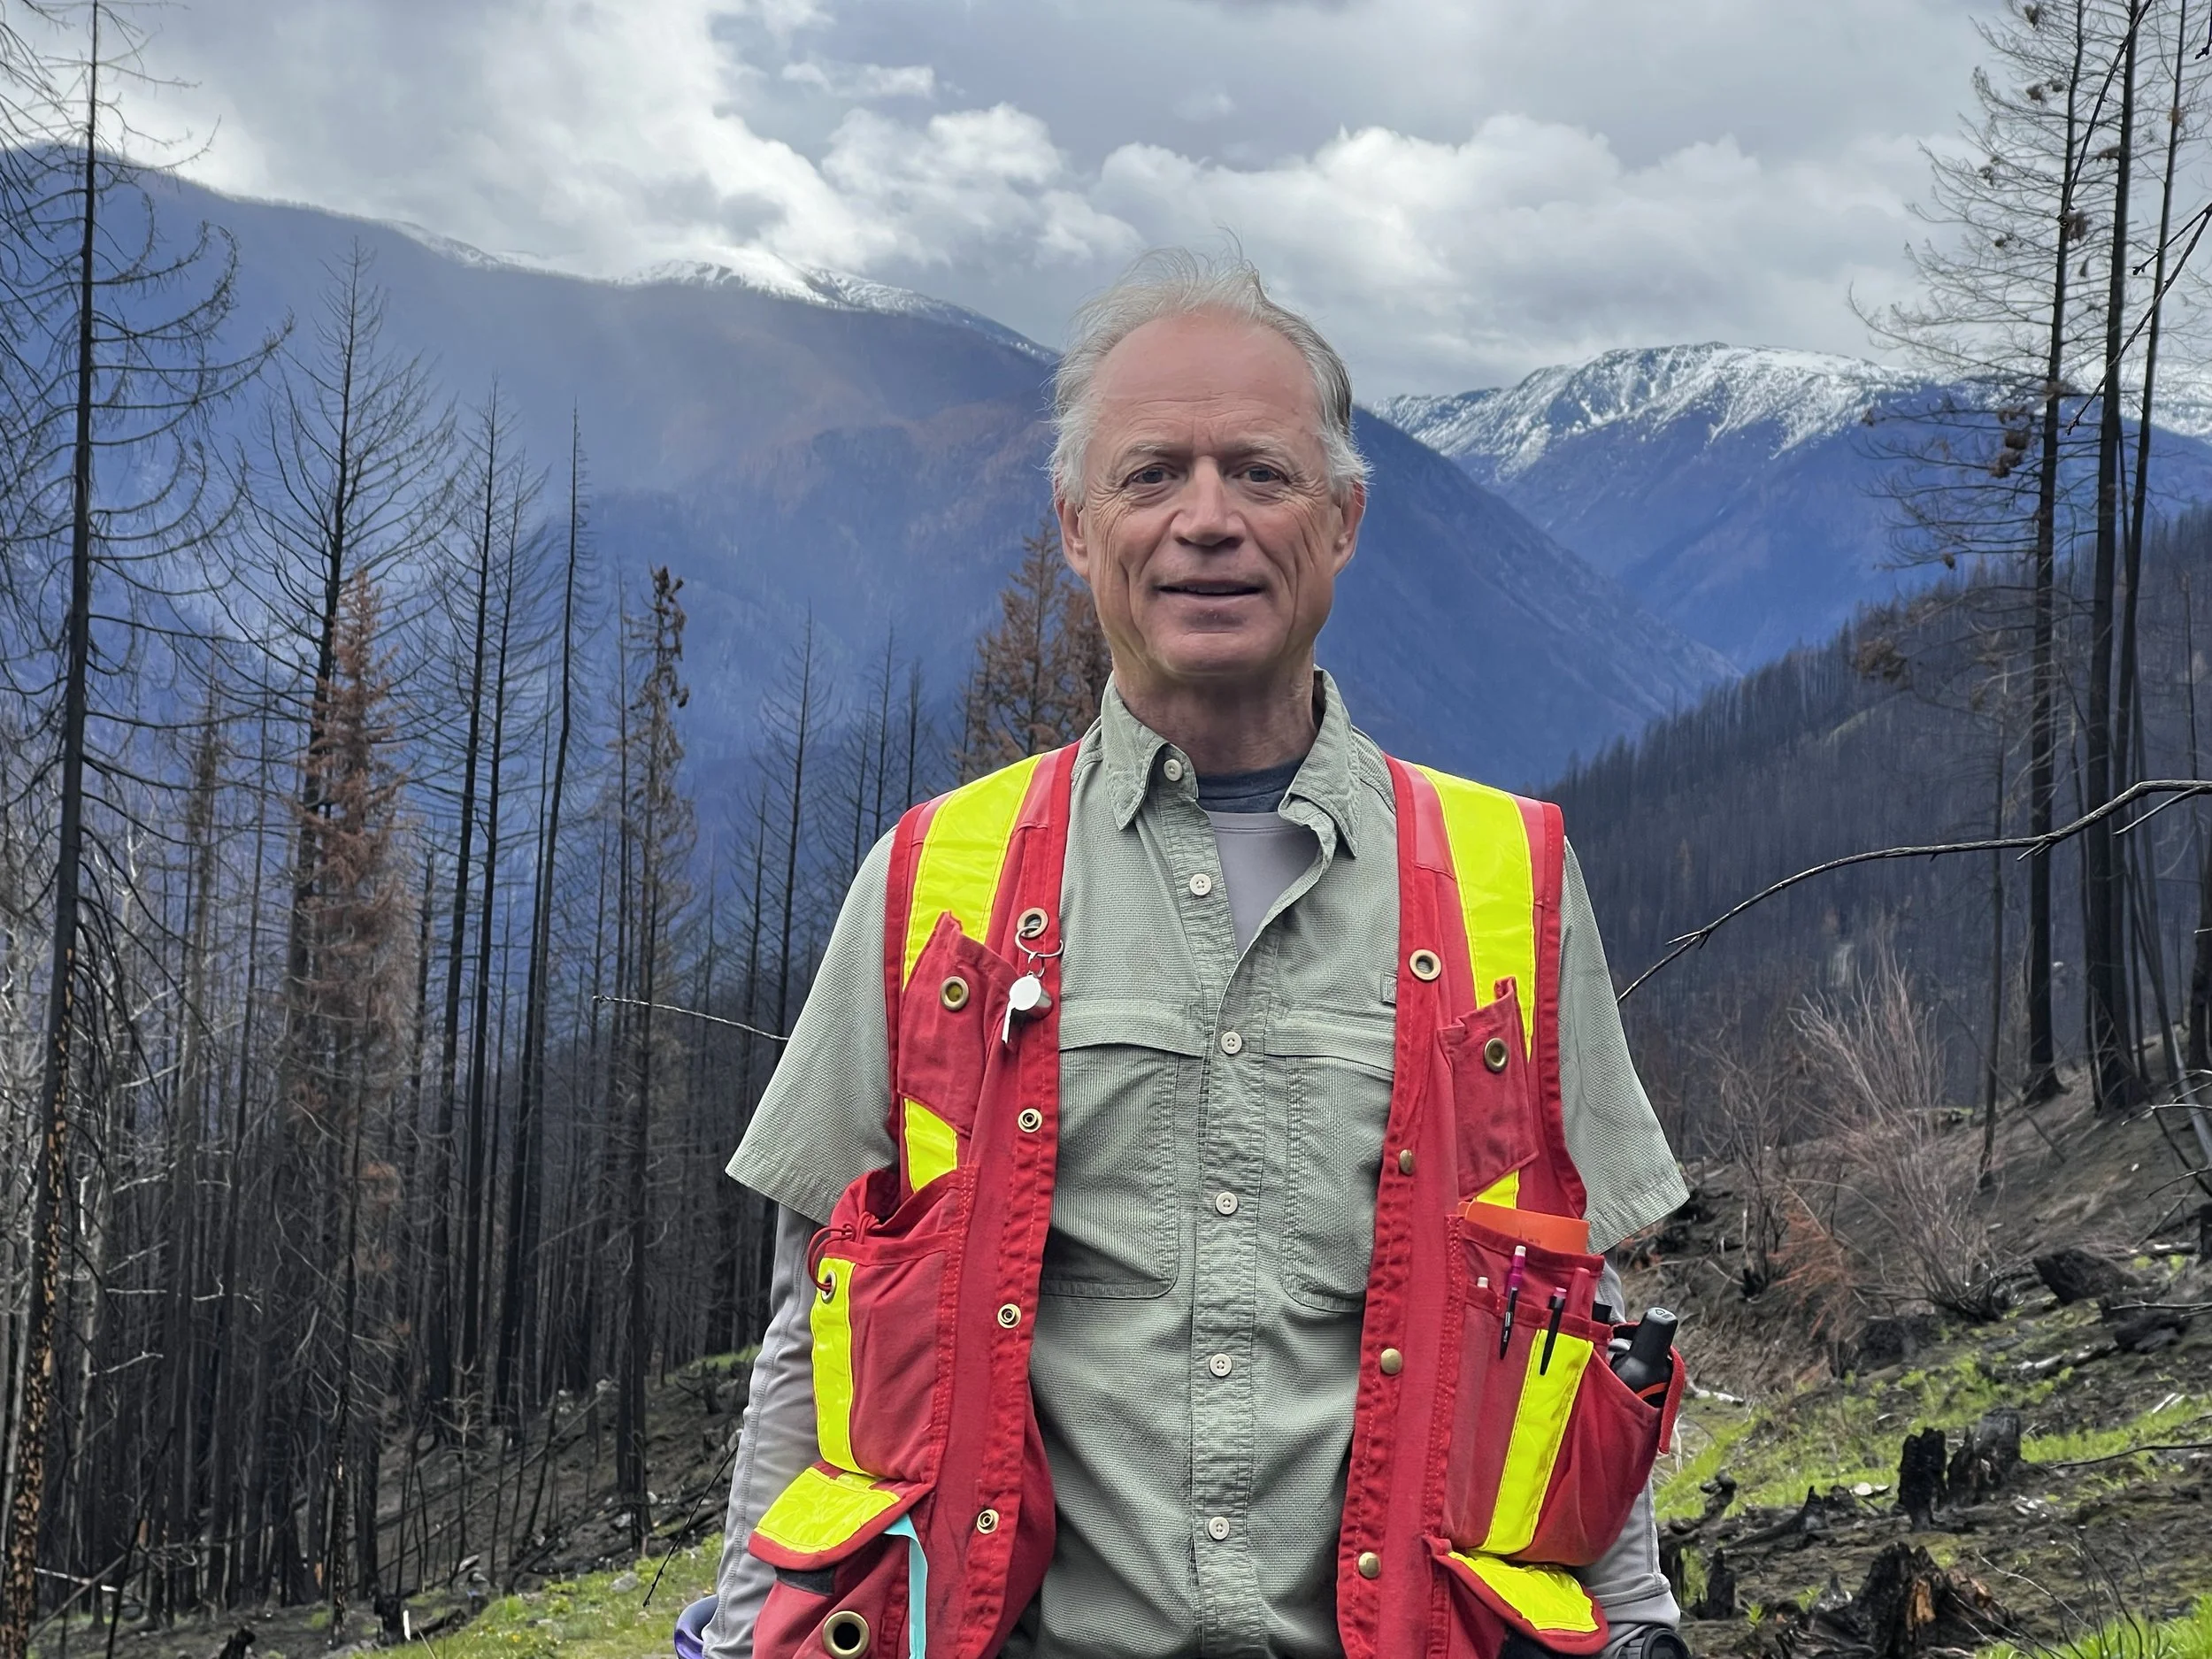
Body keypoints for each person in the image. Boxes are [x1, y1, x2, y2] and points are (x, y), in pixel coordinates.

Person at [703, 250, 1692, 1659]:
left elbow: (1577, 1341)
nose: (1207, 521)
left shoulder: (1509, 886)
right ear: (1073, 526)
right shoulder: (938, 884)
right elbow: (817, 1343)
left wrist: (1640, 1627)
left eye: (1264, 475)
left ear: (1344, 520)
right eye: (1153, 472)